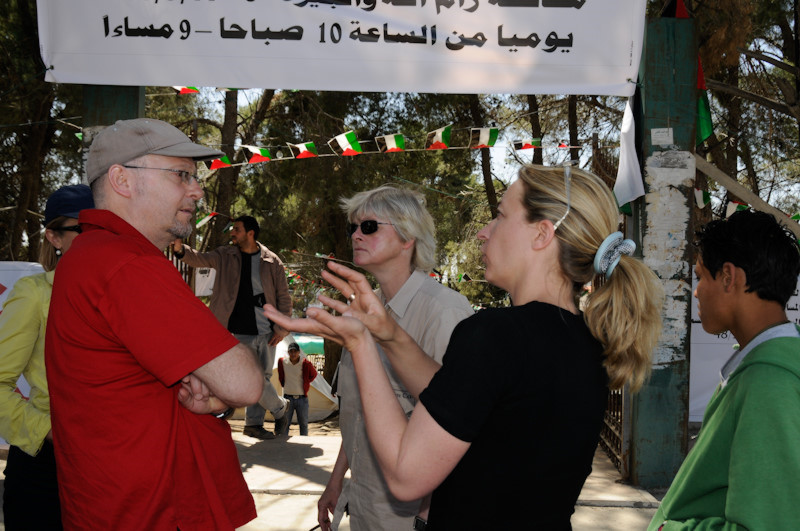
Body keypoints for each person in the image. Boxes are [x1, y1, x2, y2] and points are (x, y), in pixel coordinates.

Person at [265, 165, 664, 529]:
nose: (483, 232)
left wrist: (361, 343)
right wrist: (388, 333)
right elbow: (461, 399)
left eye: (501, 216)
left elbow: (406, 476)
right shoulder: (586, 340)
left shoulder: (496, 335)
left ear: (542, 234)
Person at [46, 118, 263, 530]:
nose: (197, 190)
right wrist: (221, 385)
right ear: (122, 180)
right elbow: (245, 384)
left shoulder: (95, 255)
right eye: (181, 175)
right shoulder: (124, 263)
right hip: (152, 512)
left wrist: (214, 395)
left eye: (194, 177)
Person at [313, 185, 475, 530]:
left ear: (407, 238)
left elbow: (461, 423)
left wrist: (429, 513)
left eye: (369, 226)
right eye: (353, 227)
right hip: (363, 503)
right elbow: (361, 414)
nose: (356, 235)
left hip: (411, 514)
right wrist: (337, 480)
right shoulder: (363, 310)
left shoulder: (444, 311)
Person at [648, 209, 800, 530]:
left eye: (701, 276)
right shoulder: (762, 365)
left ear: (729, 277)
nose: (697, 290)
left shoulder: (768, 382)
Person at [0, 184, 93, 529]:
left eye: (104, 228)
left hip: (113, 464)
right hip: (45, 466)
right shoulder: (34, 293)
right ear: (54, 238)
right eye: (82, 229)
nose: (96, 239)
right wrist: (49, 432)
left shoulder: (129, 292)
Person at [173, 214, 292, 439]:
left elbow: (283, 297)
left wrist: (281, 329)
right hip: (236, 331)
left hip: (267, 331)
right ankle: (280, 409)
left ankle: (254, 424)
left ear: (250, 233)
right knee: (252, 380)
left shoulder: (272, 261)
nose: (232, 233)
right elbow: (199, 259)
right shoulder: (225, 255)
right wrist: (180, 250)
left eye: (237, 229)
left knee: (262, 379)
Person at [277, 341, 318, 436]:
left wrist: (306, 382)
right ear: (288, 352)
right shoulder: (283, 362)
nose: (293, 354)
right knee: (285, 424)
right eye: (291, 351)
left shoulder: (305, 363)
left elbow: (314, 374)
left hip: (302, 398)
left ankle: (304, 442)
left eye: (295, 351)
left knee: (303, 424)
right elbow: (281, 376)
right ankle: (284, 442)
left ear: (299, 352)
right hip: (287, 398)